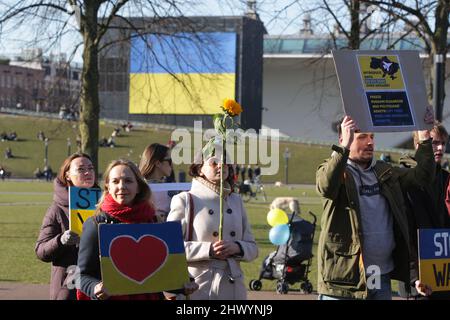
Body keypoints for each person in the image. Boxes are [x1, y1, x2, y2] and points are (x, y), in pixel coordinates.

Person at [316, 112, 435, 300]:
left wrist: (424, 137)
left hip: (380, 275)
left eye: (372, 137)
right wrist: (342, 148)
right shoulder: (336, 170)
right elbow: (325, 186)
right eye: (362, 137)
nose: (370, 142)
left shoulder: (384, 171)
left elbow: (422, 177)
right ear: (344, 138)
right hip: (343, 279)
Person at [77, 159, 197, 300]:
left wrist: (184, 284)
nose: (122, 186)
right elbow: (81, 275)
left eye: (128, 181)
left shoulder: (154, 221)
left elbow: (162, 274)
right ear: (108, 187)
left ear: (139, 187)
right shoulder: (95, 224)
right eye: (115, 181)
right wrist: (95, 288)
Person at [167, 152, 258, 300]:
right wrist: (208, 250)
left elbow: (253, 248)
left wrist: (238, 247)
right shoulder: (185, 200)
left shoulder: (237, 201)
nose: (222, 165)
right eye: (214, 162)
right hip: (199, 287)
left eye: (225, 162)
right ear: (199, 169)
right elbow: (170, 247)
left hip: (233, 287)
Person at [398, 123, 450, 299]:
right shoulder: (404, 178)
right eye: (434, 143)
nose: (441, 148)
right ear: (418, 144)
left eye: (443, 143)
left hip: (443, 275)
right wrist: (414, 277)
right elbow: (403, 232)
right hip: (418, 282)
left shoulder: (446, 179)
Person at [35, 153, 97, 300]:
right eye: (81, 169)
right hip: (68, 287)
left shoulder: (105, 204)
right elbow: (40, 250)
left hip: (98, 285)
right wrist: (60, 240)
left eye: (91, 168)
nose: (88, 172)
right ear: (68, 175)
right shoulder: (56, 209)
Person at [139, 143, 173, 222]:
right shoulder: (141, 189)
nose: (171, 165)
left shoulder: (166, 187)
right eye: (169, 161)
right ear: (158, 163)